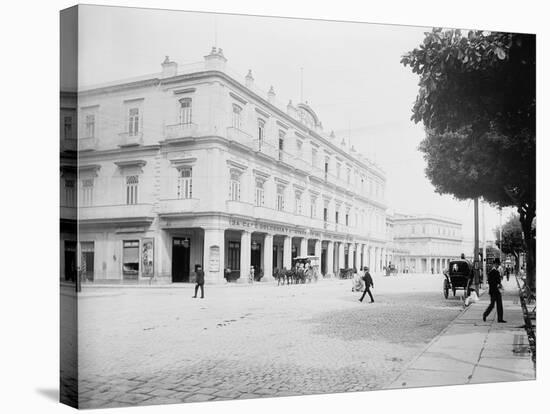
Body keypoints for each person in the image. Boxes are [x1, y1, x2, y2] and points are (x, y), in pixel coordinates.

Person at [483, 258, 506, 323]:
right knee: (498, 305)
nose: (498, 265)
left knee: (493, 305)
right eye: (498, 264)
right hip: (495, 291)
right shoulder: (495, 272)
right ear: (496, 264)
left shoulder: (491, 272)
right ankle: (499, 318)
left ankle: (486, 314)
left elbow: (490, 281)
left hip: (493, 291)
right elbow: (496, 281)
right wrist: (499, 284)